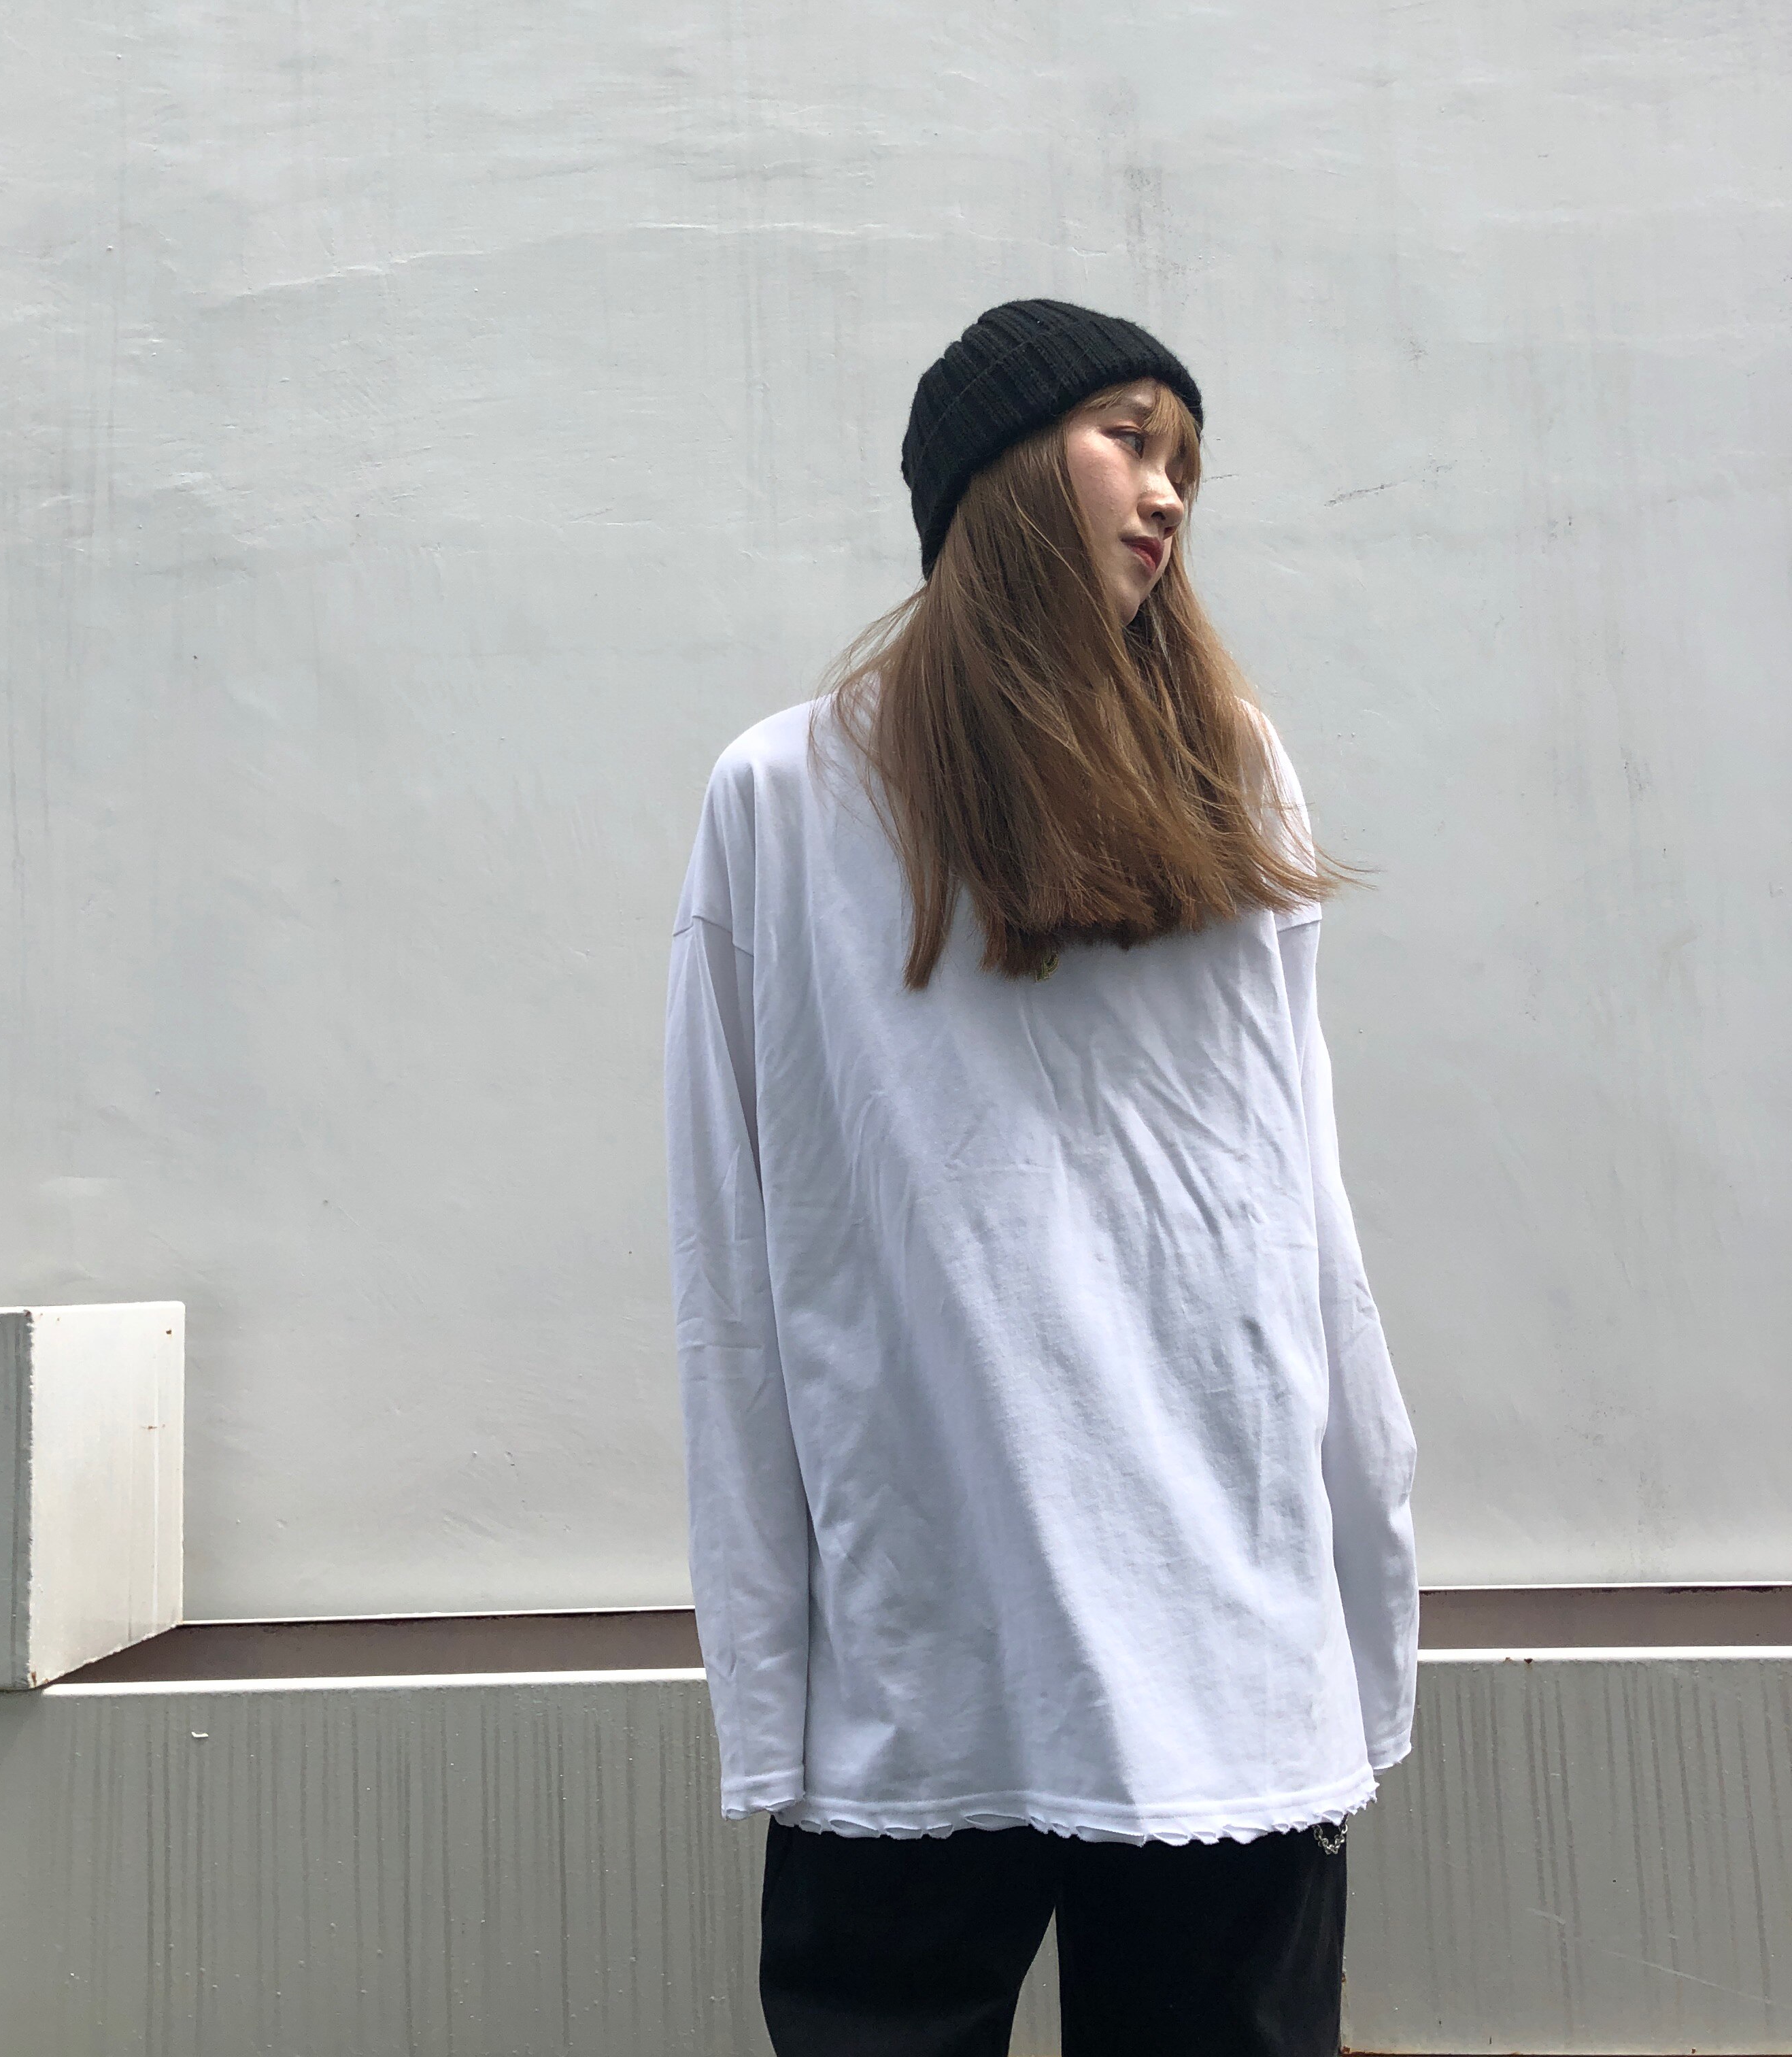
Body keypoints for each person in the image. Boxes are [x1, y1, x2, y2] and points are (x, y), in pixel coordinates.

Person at [662, 299, 1419, 2057]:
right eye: (1128, 438)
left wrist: (1361, 1564)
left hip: (1219, 1621)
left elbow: (1299, 1205)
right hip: (923, 1642)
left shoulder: (1230, 772)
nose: (1168, 495)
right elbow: (734, 1262)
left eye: (1183, 462)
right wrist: (768, 1677)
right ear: (996, 475)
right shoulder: (785, 800)